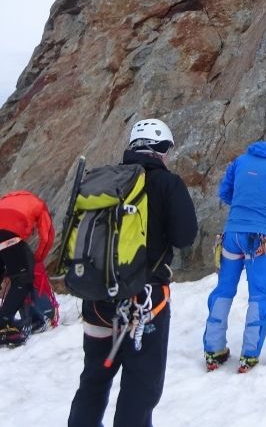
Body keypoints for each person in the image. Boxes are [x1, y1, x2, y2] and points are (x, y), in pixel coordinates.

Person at [68, 118, 198, 427]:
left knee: (94, 380)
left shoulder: (104, 180)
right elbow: (185, 236)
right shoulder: (168, 183)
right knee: (140, 387)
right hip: (145, 302)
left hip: (97, 298)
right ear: (162, 149)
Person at [203, 131, 266, 373]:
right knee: (258, 294)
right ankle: (249, 354)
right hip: (261, 238)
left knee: (224, 289)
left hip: (232, 234)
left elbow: (225, 192)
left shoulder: (241, 160)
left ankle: (213, 349)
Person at [0, 190, 55, 346]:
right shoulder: (38, 204)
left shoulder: (6, 199)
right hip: (8, 235)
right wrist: (37, 259)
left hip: (4, 235)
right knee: (23, 278)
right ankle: (3, 322)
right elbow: (47, 236)